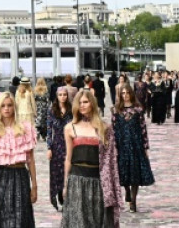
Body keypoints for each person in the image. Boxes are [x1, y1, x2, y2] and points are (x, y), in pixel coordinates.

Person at [61, 89, 122, 228]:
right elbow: (68, 158)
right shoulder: (70, 128)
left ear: (92, 103)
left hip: (98, 181)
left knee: (97, 221)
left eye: (85, 102)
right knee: (78, 222)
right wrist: (65, 184)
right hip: (77, 180)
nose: (82, 105)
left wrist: (110, 186)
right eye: (79, 102)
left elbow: (111, 160)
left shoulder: (104, 128)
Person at [0, 92, 38, 227]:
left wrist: (34, 186)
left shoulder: (25, 129)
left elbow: (30, 160)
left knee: (20, 218)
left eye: (9, 105)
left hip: (19, 175)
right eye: (3, 106)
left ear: (14, 107)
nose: (6, 109)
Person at [112, 83, 154, 213]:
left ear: (131, 93)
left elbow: (143, 129)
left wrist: (146, 147)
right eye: (123, 93)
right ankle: (127, 190)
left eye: (127, 93)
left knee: (135, 172)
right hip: (122, 144)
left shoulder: (138, 110)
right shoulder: (116, 110)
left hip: (136, 144)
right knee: (123, 171)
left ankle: (133, 202)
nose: (125, 95)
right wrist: (114, 147)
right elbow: (113, 130)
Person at [46, 86, 72, 211]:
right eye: (60, 95)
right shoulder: (52, 110)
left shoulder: (71, 109)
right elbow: (49, 130)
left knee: (68, 171)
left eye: (64, 94)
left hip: (69, 144)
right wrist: (49, 148)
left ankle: (68, 196)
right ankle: (60, 196)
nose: (63, 97)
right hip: (57, 145)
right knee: (57, 172)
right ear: (57, 96)